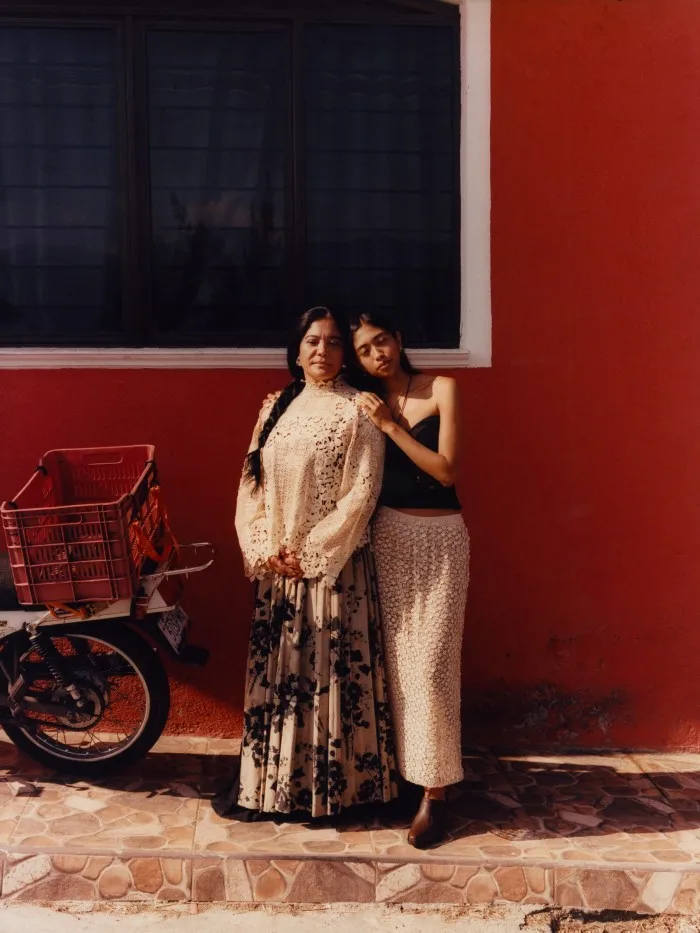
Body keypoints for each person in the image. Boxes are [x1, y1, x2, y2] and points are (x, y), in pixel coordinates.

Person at [216, 306, 397, 820]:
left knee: (330, 681)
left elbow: (362, 492)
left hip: (332, 569)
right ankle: (278, 789)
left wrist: (312, 552)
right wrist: (263, 546)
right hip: (280, 573)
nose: (323, 351)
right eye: (313, 341)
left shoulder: (359, 409)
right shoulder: (276, 405)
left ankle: (338, 794)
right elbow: (250, 484)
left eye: (335, 342)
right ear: (296, 350)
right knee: (286, 681)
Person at [349, 311, 469, 848]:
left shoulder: (442, 388)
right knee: (397, 665)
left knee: (432, 666)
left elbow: (445, 470)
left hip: (441, 538)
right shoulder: (361, 403)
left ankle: (436, 792)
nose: (378, 354)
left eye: (382, 341)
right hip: (388, 540)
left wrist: (390, 426)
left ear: (399, 339)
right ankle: (411, 778)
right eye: (365, 350)